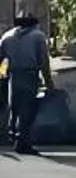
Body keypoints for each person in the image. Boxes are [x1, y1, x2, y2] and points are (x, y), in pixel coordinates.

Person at [0, 12, 49, 155]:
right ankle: (23, 141)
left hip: (13, 75)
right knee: (28, 108)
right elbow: (44, 60)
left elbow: (1, 59)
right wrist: (48, 80)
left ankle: (14, 135)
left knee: (14, 107)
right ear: (34, 24)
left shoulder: (7, 36)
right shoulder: (38, 36)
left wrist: (2, 76)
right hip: (29, 74)